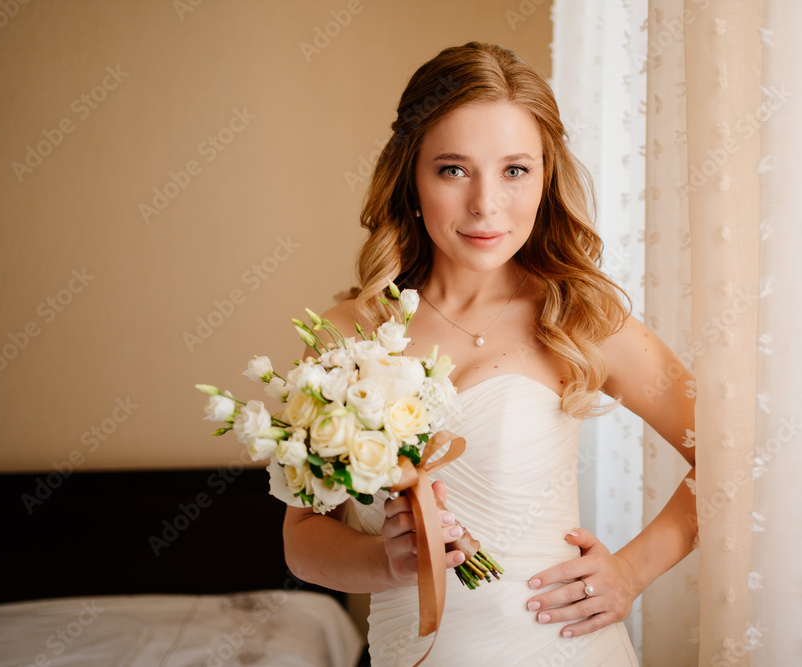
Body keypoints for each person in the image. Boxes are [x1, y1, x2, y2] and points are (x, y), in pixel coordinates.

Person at [283, 42, 697, 666]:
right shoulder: (346, 335)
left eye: (514, 170)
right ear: (411, 177)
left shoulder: (579, 317)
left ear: (545, 178)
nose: (485, 204)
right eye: (453, 169)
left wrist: (632, 572)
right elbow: (302, 539)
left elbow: (734, 453)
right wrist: (386, 560)